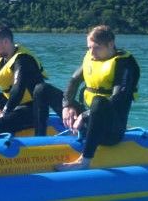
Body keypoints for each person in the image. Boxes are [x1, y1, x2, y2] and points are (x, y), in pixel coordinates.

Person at [55, 25, 140, 171]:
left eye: (96, 47)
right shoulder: (91, 57)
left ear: (111, 44)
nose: (91, 52)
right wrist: (67, 105)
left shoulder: (125, 64)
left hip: (111, 130)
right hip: (89, 121)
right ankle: (39, 141)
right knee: (42, 89)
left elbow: (117, 99)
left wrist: (84, 115)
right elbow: (74, 81)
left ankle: (84, 161)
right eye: (89, 47)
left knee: (99, 101)